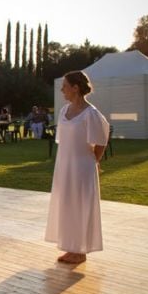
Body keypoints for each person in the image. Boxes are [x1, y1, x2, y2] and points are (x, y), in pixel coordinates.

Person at [45, 71, 109, 265]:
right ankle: (70, 246)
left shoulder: (92, 114)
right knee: (67, 204)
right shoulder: (64, 111)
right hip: (64, 164)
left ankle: (81, 251)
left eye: (65, 85)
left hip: (83, 166)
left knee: (81, 205)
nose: (62, 89)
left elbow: (101, 141)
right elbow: (63, 141)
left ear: (76, 87)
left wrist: (93, 161)